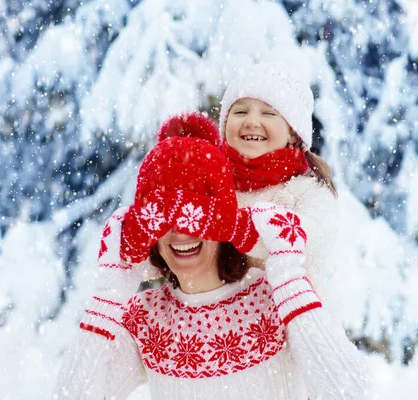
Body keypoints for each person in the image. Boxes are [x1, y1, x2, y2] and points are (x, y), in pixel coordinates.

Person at [53, 113, 369, 399]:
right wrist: (110, 292)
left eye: (193, 215)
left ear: (222, 223)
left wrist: (287, 273)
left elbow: (348, 392)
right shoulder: (146, 319)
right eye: (164, 220)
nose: (180, 233)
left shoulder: (274, 298)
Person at [219, 62, 338, 299]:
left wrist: (236, 225)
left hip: (292, 323)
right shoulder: (212, 183)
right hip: (217, 328)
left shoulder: (308, 192)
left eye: (269, 113)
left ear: (293, 132)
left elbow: (308, 242)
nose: (251, 121)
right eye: (240, 112)